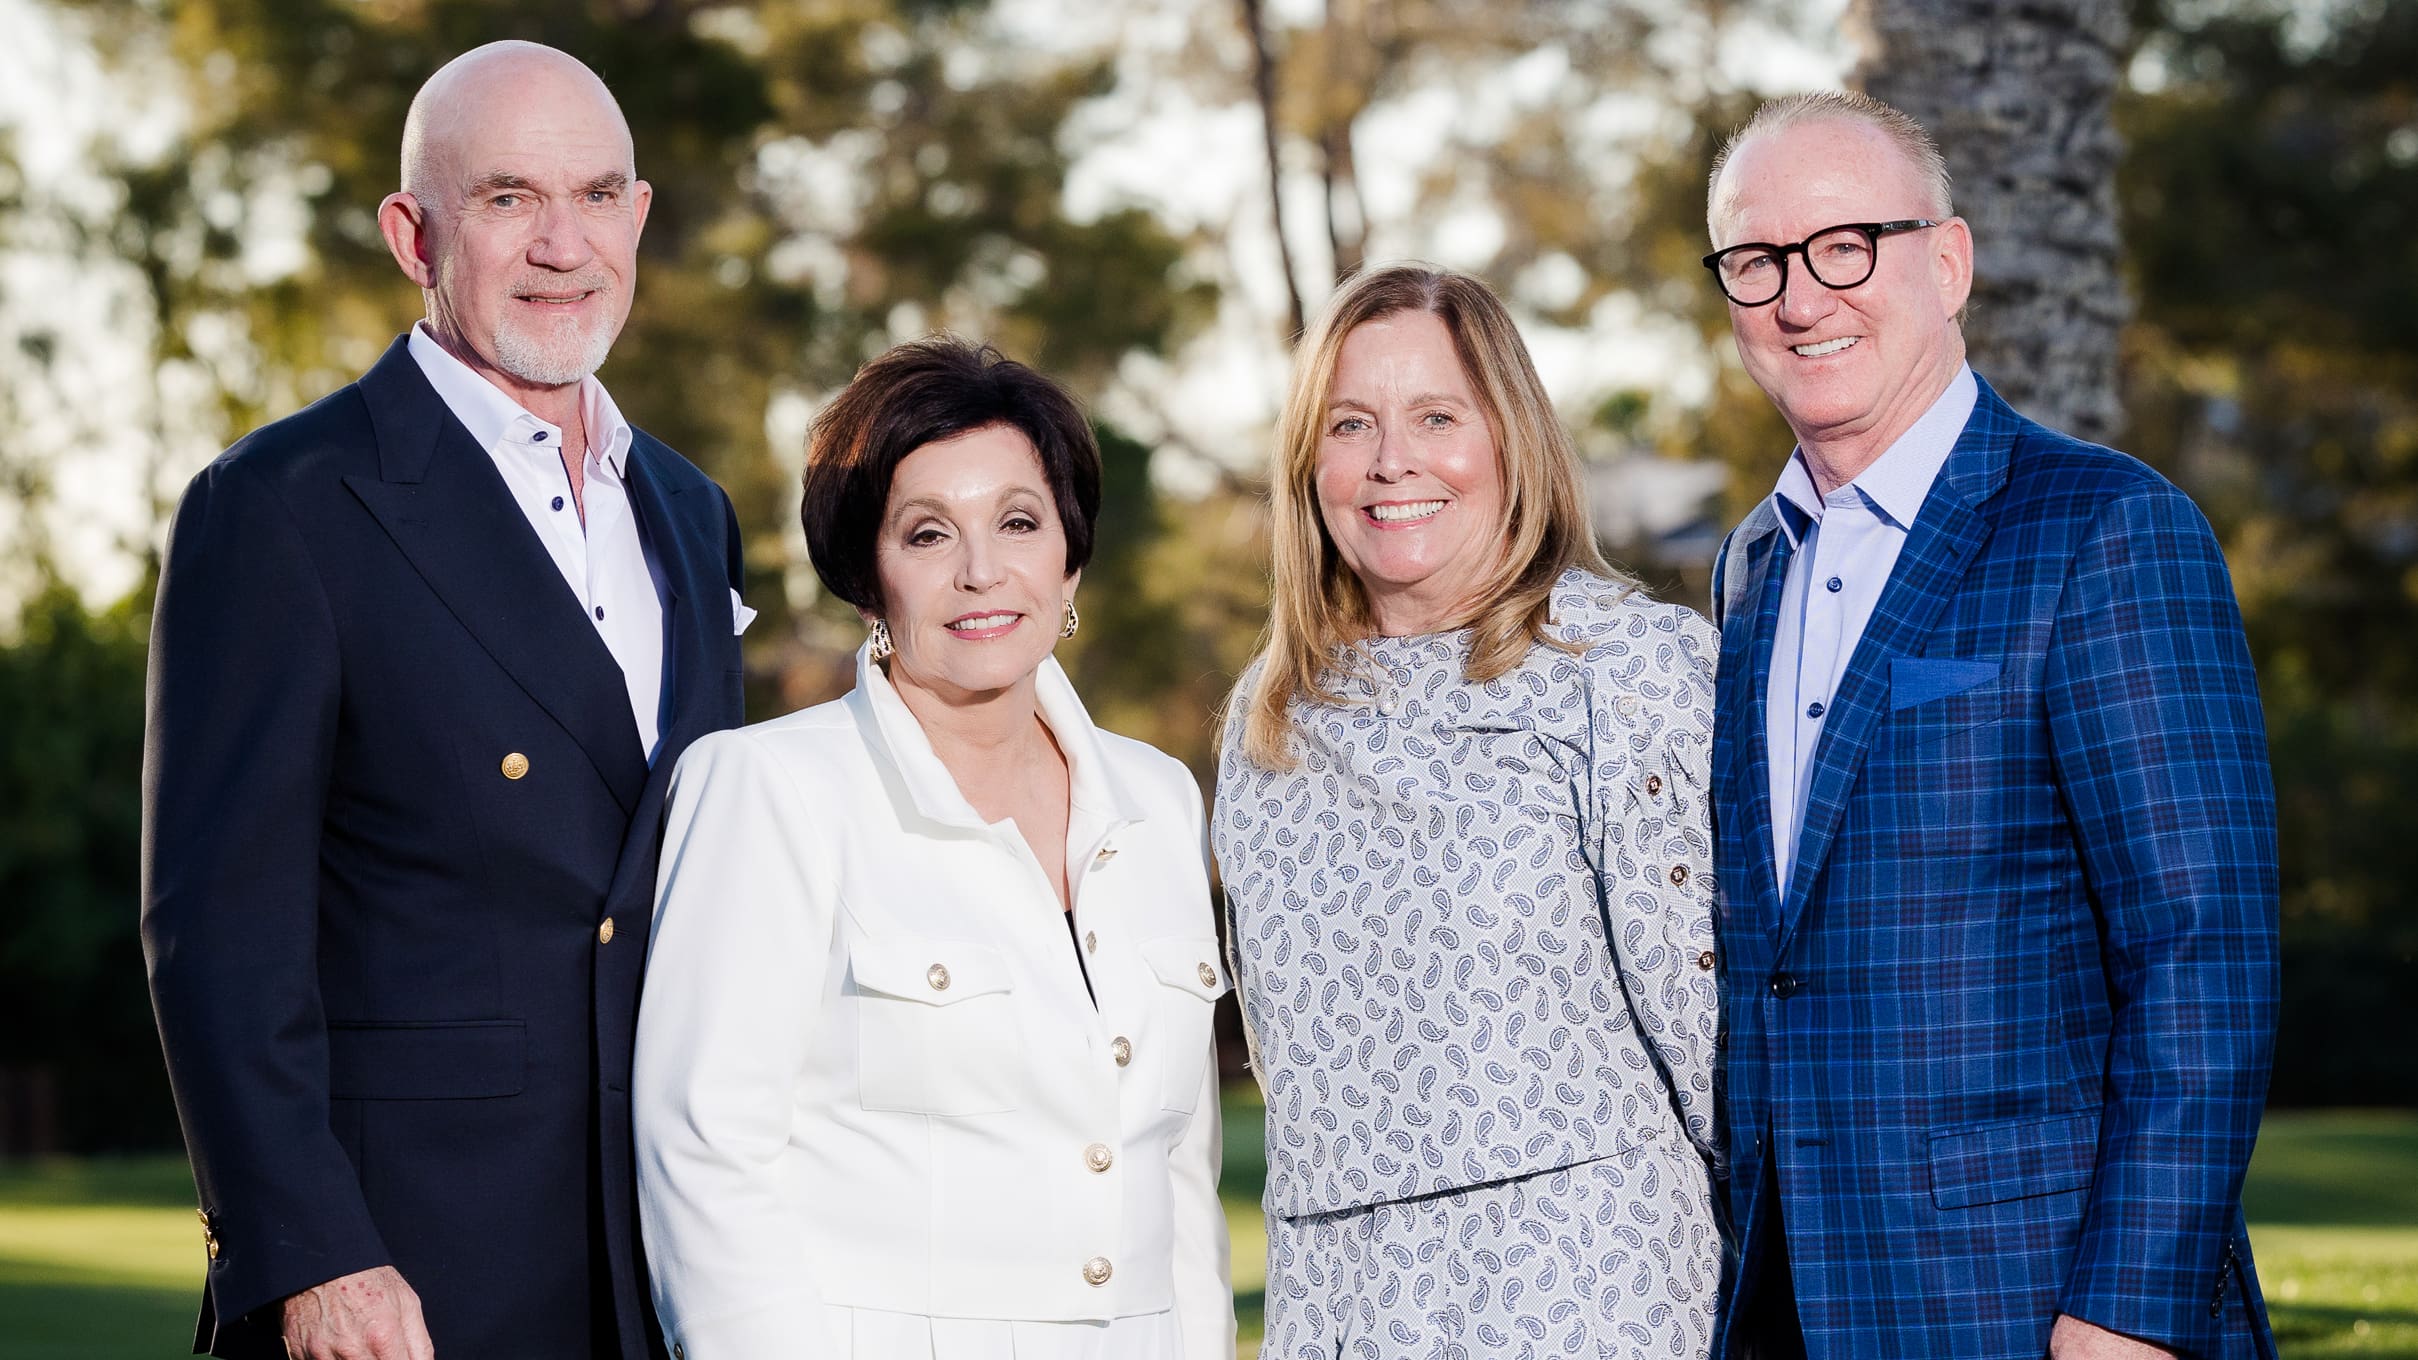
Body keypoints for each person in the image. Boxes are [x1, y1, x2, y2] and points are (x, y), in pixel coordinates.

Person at [140, 41, 750, 1360]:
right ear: (413, 234)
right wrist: (314, 1256)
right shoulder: (281, 505)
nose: (563, 245)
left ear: (640, 216)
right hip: (400, 1278)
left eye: (596, 196)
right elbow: (218, 931)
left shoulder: (694, 512)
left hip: (665, 1268)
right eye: (508, 198)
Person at [1699, 91, 2280, 1360]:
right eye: (1757, 260)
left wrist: (2127, 1311)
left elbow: (2203, 950)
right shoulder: (1749, 568)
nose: (1801, 296)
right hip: (1790, 1302)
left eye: (1846, 245)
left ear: (1948, 263)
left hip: (2034, 1300)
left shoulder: (2105, 529)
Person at [632, 336, 1234, 1360]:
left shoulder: (1160, 799)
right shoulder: (770, 789)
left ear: (1070, 556)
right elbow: (707, 1157)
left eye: (1019, 522)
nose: (982, 571)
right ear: (868, 577)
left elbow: (1178, 1170)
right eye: (927, 534)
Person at [1213, 263, 1723, 1359]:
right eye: (1350, 423)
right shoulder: (1268, 717)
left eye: (1436, 417)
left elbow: (1715, 1049)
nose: (1391, 460)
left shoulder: (1626, 670)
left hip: (1588, 1294)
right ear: (1308, 462)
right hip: (1340, 1307)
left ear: (1509, 438)